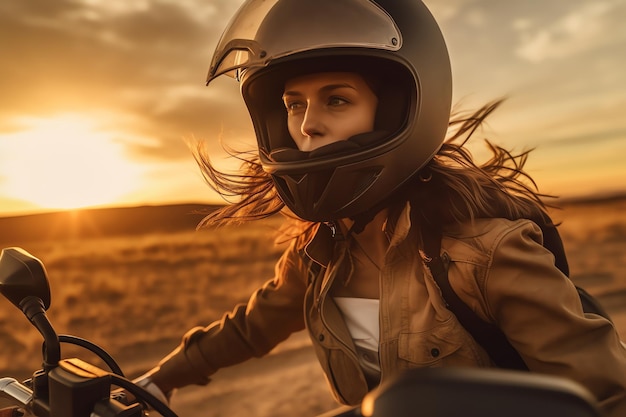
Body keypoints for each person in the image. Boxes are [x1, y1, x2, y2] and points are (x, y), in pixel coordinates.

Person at [134, 0, 626, 415]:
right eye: (293, 104)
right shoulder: (320, 252)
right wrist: (159, 378)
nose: (307, 126)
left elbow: (604, 395)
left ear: (398, 108)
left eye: (337, 100)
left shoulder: (486, 254)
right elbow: (252, 326)